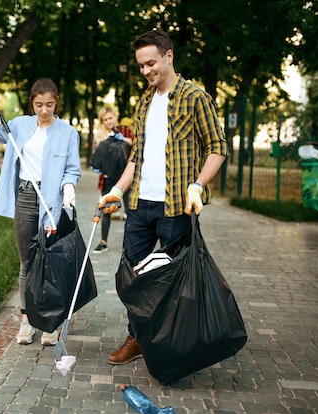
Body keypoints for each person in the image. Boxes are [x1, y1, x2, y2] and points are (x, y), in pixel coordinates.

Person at [98, 29, 228, 365]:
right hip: (140, 205)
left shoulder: (195, 97)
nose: (146, 71)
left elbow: (217, 147)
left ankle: (170, 344)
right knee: (134, 277)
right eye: (141, 66)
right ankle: (137, 338)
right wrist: (116, 190)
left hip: (176, 207)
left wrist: (198, 185)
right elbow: (136, 157)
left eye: (151, 63)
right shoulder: (142, 103)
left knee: (173, 282)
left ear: (169, 56)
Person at [0, 78, 82, 346]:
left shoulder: (68, 133)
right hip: (25, 197)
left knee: (50, 262)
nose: (44, 110)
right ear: (32, 102)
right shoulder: (19, 125)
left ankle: (51, 323)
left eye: (49, 104)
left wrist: (69, 187)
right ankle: (27, 320)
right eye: (39, 104)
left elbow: (72, 168)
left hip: (51, 200)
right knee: (27, 262)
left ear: (56, 102)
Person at [90, 107, 132, 253]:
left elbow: (134, 143)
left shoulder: (125, 131)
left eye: (110, 118)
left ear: (115, 116)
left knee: (130, 210)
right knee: (106, 209)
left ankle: (130, 243)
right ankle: (103, 241)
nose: (109, 121)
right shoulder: (100, 135)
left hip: (125, 176)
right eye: (105, 119)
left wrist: (122, 138)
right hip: (107, 178)